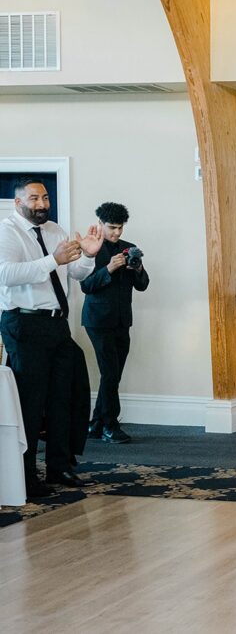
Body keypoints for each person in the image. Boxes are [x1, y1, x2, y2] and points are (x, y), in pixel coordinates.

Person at [0, 179, 102, 497]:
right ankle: (26, 476)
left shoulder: (56, 230)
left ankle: (59, 468)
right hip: (24, 324)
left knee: (63, 398)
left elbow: (77, 274)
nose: (43, 204)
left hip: (58, 325)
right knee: (31, 403)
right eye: (34, 198)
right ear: (18, 203)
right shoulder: (7, 231)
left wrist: (88, 256)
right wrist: (52, 260)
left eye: (45, 197)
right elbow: (6, 274)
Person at [80, 202, 150, 444]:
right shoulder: (91, 250)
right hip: (97, 321)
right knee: (110, 372)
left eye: (120, 228)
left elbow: (142, 285)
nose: (117, 233)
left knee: (113, 374)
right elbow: (86, 286)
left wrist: (137, 267)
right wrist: (108, 269)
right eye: (112, 227)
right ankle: (110, 425)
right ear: (100, 223)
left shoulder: (129, 249)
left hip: (122, 320)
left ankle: (97, 422)